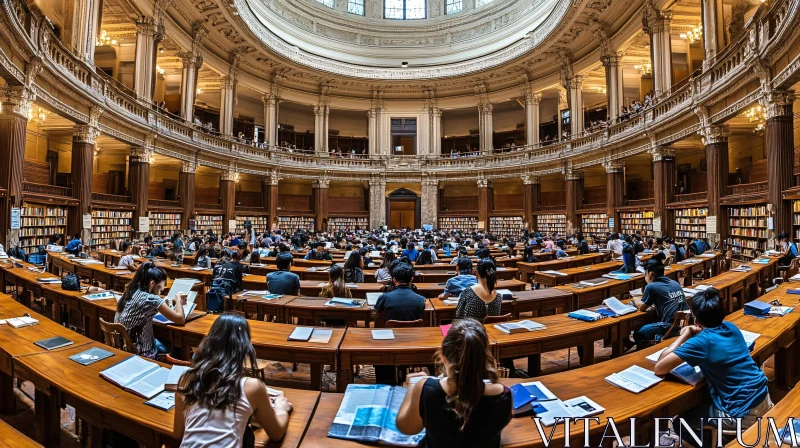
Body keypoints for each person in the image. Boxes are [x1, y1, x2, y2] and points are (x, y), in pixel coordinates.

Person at [654, 288, 772, 433]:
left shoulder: (701, 342)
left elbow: (659, 367)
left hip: (743, 412)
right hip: (763, 395)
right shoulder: (731, 327)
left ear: (695, 319)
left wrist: (684, 335)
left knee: (680, 424)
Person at [174, 313, 293, 447]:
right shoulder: (251, 386)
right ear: (244, 347)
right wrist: (280, 408)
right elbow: (276, 434)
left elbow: (179, 433)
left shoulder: (186, 380)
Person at [396, 319, 512, 447]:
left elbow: (407, 428)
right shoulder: (503, 394)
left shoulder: (425, 387)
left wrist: (413, 387)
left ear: (443, 357)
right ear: (484, 357)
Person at [115, 262, 186, 358]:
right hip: (144, 351)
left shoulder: (130, 291)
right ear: (152, 283)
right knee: (176, 346)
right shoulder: (151, 299)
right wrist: (178, 298)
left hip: (126, 347)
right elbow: (180, 319)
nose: (160, 292)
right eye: (160, 289)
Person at [374, 262, 427, 385]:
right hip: (415, 342)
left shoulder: (384, 297)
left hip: (389, 343)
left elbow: (377, 318)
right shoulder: (421, 300)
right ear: (412, 279)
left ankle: (385, 382)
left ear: (394, 279)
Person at [627, 259, 688, 350]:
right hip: (683, 324)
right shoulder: (674, 283)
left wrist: (634, 296)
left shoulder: (651, 286)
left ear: (651, 272)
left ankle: (641, 353)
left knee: (638, 333)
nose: (645, 276)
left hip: (668, 326)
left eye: (645, 273)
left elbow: (642, 308)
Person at [453, 258, 501, 323]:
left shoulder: (468, 292)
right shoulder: (498, 296)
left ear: (476, 273)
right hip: (491, 331)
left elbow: (458, 315)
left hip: (472, 331)